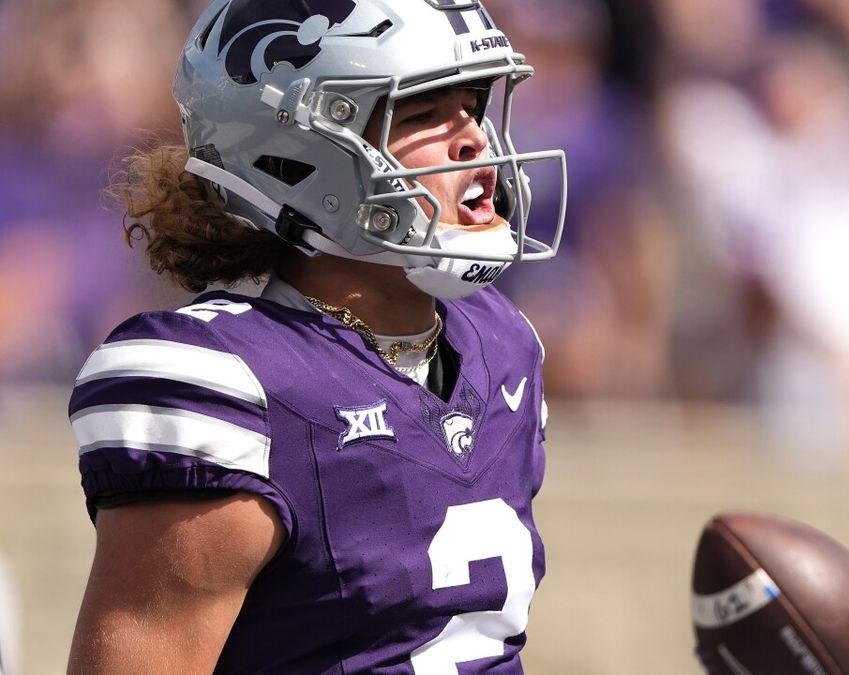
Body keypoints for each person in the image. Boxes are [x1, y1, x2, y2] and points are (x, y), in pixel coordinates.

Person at [65, 0, 566, 672]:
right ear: (297, 154)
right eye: (420, 112)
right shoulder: (228, 380)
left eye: (471, 105)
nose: (474, 137)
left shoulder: (503, 342)